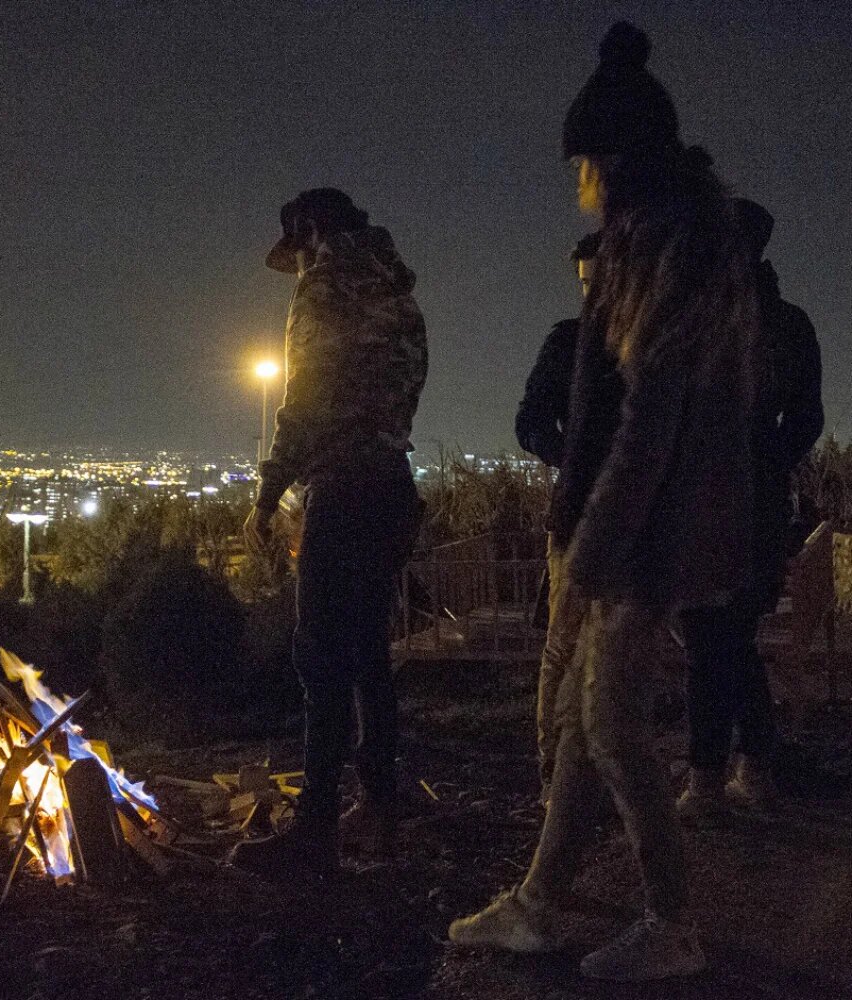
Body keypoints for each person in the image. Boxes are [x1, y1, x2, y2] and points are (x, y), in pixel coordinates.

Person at [449, 22, 757, 981]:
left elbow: (649, 418)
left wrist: (589, 553)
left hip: (646, 531)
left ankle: (674, 923)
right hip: (629, 524)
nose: (577, 177)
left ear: (614, 157)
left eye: (585, 158)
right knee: (587, 725)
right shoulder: (652, 235)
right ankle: (541, 904)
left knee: (613, 727)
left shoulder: (675, 245)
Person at [234, 187, 427, 878]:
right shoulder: (398, 293)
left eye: (300, 247)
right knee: (370, 653)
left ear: (311, 232)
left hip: (341, 489)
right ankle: (378, 805)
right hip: (391, 484)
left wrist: (268, 493)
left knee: (320, 659)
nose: (300, 263)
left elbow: (306, 396)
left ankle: (314, 831)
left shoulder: (324, 288)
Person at [675, 198, 824, 823]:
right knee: (725, 637)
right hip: (753, 503)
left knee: (715, 638)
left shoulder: (706, 322)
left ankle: (716, 777)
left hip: (723, 503)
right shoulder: (788, 324)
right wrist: (770, 465)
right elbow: (807, 419)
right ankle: (749, 768)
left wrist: (752, 464)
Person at [515, 232, 600, 799]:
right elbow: (529, 421)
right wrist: (572, 457)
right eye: (587, 282)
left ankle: (586, 767)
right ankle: (556, 771)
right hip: (578, 514)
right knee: (565, 644)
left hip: (627, 515)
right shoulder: (569, 344)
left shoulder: (647, 344)